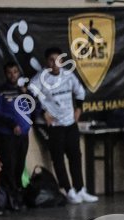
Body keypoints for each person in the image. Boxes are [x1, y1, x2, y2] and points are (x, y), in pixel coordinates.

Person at [29, 47, 98, 204]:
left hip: (70, 122)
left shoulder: (68, 75)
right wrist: (42, 112)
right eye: (51, 60)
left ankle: (80, 189)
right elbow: (29, 96)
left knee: (75, 156)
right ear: (46, 62)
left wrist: (79, 108)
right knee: (58, 158)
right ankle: (68, 190)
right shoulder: (40, 78)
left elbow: (80, 92)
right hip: (53, 125)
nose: (55, 63)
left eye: (58, 60)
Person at [0, 61, 33, 211]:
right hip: (7, 135)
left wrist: (27, 94)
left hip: (23, 136)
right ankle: (10, 200)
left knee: (20, 166)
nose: (13, 75)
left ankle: (18, 197)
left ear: (19, 73)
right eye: (9, 72)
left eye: (15, 72)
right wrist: (12, 124)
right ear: (5, 74)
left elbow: (34, 107)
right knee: (9, 167)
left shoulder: (23, 91)